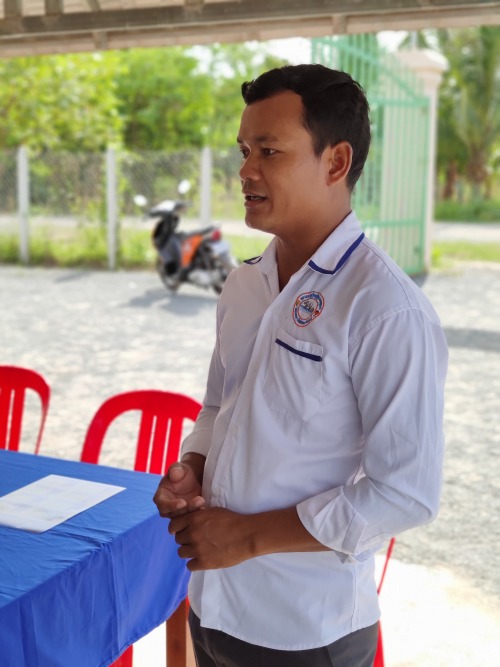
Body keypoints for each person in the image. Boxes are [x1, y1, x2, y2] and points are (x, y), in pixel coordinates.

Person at [153, 64, 448, 667]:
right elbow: (220, 405)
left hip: (303, 631)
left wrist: (250, 535)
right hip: (213, 604)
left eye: (269, 151)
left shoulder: (385, 309)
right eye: (243, 150)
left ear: (335, 163)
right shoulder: (244, 285)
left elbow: (405, 492)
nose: (245, 170)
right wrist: (195, 466)